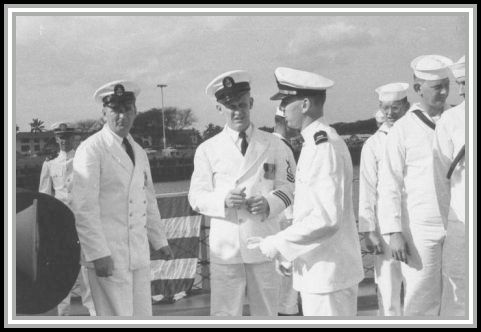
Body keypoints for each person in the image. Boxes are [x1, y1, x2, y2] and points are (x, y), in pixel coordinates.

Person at [255, 67, 364, 316]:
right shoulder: (314, 143)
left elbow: (326, 219)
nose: (282, 109)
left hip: (329, 275)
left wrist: (278, 242)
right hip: (320, 270)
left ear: (304, 104)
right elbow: (309, 212)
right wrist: (290, 252)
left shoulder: (322, 147)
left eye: (286, 101)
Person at [188, 70, 295, 316]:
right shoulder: (207, 150)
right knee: (225, 315)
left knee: (267, 313)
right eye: (230, 107)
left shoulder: (275, 144)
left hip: (263, 240)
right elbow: (196, 196)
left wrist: (269, 203)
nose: (237, 112)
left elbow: (290, 187)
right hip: (226, 247)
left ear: (252, 104)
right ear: (219, 109)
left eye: (242, 105)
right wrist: (222, 200)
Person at [72, 80, 173, 316]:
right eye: (116, 110)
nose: (122, 116)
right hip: (108, 255)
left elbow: (147, 199)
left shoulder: (137, 150)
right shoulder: (91, 149)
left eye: (127, 109)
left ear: (135, 112)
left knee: (142, 316)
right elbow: (84, 209)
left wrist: (159, 240)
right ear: (104, 113)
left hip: (137, 253)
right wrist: (97, 253)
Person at [378, 55, 453, 316]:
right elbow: (389, 184)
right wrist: (393, 232)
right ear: (418, 88)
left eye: (446, 85)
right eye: (436, 87)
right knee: (420, 300)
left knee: (457, 297)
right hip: (420, 229)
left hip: (458, 225)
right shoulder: (402, 130)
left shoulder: (457, 122)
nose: (443, 92)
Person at [358, 83, 410, 316]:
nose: (390, 113)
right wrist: (368, 231)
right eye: (386, 108)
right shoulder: (373, 144)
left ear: (406, 106)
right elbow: (367, 189)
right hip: (385, 227)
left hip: (414, 221)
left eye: (396, 107)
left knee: (417, 290)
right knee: (388, 291)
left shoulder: (415, 134)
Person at [39, 122, 96, 317]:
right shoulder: (49, 163)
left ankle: (93, 310)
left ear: (74, 139)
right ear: (56, 139)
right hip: (60, 222)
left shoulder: (83, 159)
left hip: (81, 219)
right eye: (61, 137)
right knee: (62, 265)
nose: (64, 141)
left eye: (68, 137)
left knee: (88, 265)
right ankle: (63, 313)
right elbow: (44, 195)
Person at [433, 55, 466, 316]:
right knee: (458, 302)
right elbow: (440, 182)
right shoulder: (450, 120)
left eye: (467, 82)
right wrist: (450, 223)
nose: (463, 90)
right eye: (460, 83)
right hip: (462, 226)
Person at [272, 107, 300, 316]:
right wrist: (292, 220)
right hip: (285, 220)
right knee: (287, 280)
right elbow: (287, 188)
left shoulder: (272, 145)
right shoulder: (282, 148)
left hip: (276, 219)